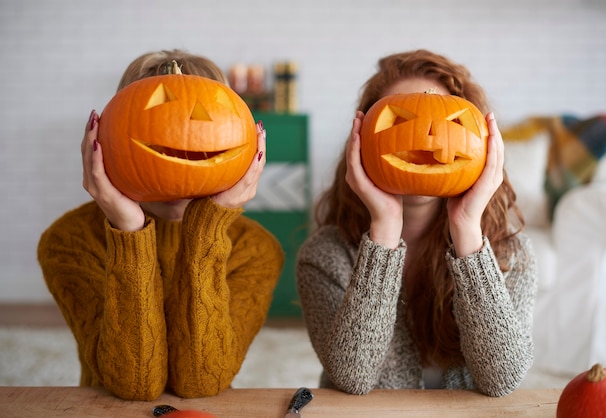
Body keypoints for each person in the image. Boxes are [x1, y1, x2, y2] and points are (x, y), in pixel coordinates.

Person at [38, 49, 285, 401]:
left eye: (207, 116)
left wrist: (208, 230)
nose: (185, 144)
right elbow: (134, 384)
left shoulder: (255, 249)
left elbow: (199, 383)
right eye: (155, 111)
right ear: (104, 139)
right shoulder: (68, 241)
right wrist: (128, 232)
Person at [296, 49, 538, 397]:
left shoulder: (512, 254)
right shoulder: (325, 256)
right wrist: (384, 228)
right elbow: (352, 378)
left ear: (484, 146)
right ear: (360, 143)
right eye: (398, 122)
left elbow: (503, 380)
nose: (425, 138)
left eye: (450, 123)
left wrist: (468, 227)